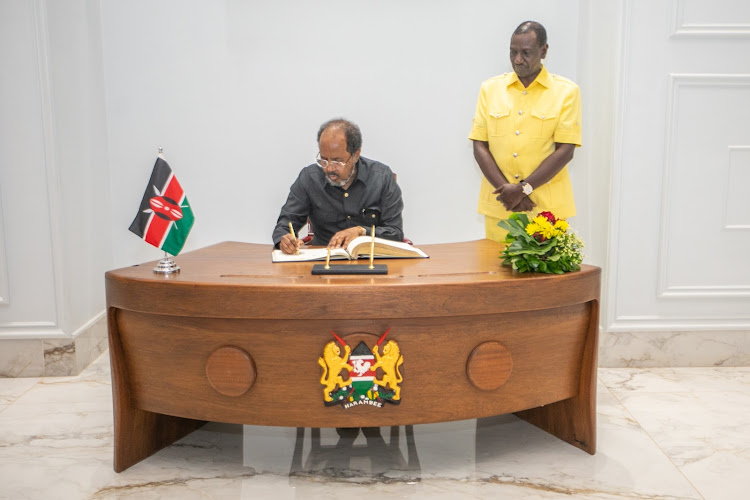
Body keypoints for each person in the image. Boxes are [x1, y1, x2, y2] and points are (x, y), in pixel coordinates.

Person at [468, 21, 582, 242]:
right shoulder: (490, 89)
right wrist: (508, 193)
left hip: (546, 209)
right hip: (501, 206)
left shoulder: (566, 92)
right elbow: (479, 144)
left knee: (544, 275)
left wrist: (523, 189)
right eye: (513, 52)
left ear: (543, 51)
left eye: (526, 53)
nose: (518, 60)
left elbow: (566, 150)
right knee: (496, 272)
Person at [273, 118, 404, 254]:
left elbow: (395, 233)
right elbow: (284, 225)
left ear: (355, 155)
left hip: (370, 260)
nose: (329, 168)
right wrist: (285, 240)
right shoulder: (309, 178)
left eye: (337, 161)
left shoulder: (381, 178)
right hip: (323, 261)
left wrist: (361, 231)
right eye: (324, 160)